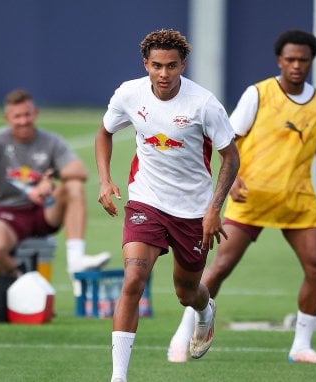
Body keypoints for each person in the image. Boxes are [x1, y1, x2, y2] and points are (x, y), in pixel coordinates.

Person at [167, 28, 316, 365]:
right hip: (251, 197)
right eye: (290, 59)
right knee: (220, 265)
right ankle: (183, 333)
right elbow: (228, 140)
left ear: (311, 61)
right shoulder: (259, 94)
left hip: (297, 200)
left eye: (303, 60)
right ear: (280, 60)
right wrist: (232, 181)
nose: (296, 65)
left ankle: (301, 345)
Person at [95, 29, 240, 382]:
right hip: (147, 199)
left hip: (193, 211)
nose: (163, 74)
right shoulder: (129, 93)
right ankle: (118, 377)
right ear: (145, 63)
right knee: (133, 279)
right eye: (156, 66)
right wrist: (104, 179)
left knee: (186, 292)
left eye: (171, 66)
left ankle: (205, 311)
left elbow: (231, 159)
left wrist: (213, 209)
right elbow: (104, 132)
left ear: (183, 65)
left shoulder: (204, 104)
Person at [0, 89, 110, 286]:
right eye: (17, 116)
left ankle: (75, 262)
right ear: (7, 118)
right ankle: (24, 283)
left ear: (35, 113)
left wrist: (48, 178)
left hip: (44, 211)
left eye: (27, 114)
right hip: (8, 213)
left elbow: (80, 171)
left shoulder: (51, 140)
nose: (23, 120)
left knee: (74, 186)